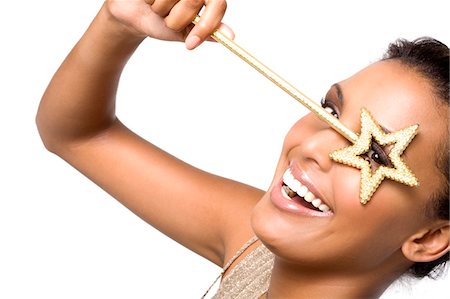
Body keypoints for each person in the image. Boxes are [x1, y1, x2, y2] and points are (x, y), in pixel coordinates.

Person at [36, 0, 449, 298]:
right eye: (330, 110)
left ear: (431, 237)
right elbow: (77, 135)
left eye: (374, 155)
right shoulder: (253, 251)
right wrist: (118, 21)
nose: (313, 147)